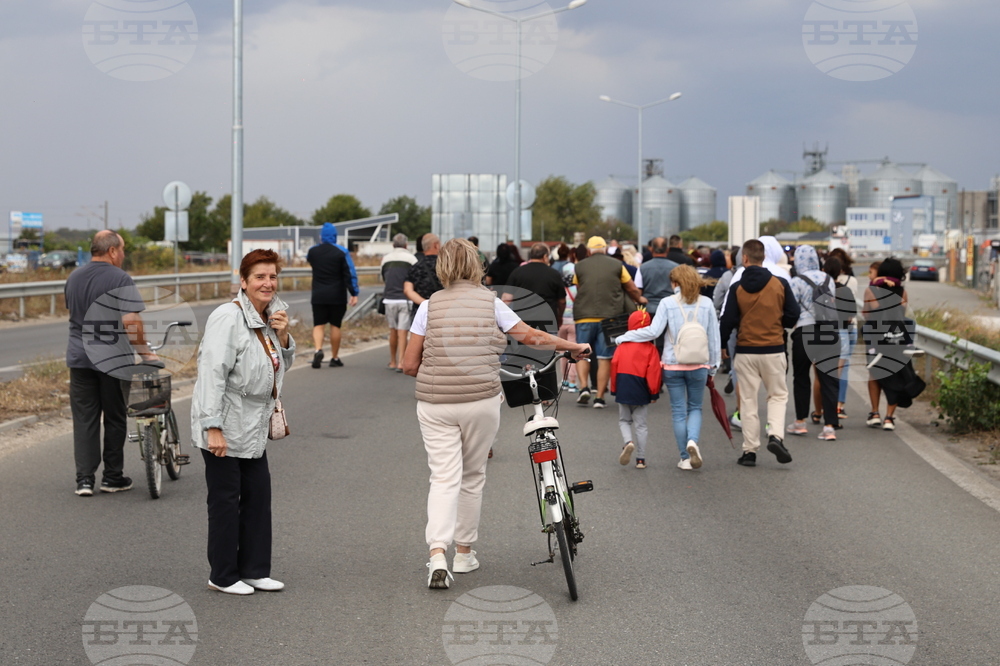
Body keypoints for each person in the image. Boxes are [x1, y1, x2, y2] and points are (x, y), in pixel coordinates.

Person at [401, 239, 590, 589]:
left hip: (434, 403)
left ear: (442, 267)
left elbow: (409, 364)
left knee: (443, 478)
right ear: (476, 266)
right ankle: (464, 553)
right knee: (472, 476)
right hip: (480, 401)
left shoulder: (428, 306)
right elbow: (531, 338)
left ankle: (437, 555)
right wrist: (573, 346)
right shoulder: (491, 303)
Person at [191, 249, 296, 595]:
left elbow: (275, 370)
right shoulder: (228, 317)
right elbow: (211, 373)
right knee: (225, 500)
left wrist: (283, 339)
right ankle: (222, 575)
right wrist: (213, 427)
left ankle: (254, 569)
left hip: (252, 424)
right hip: (225, 421)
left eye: (272, 276)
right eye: (260, 277)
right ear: (244, 281)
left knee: (257, 497)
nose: (268, 283)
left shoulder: (271, 317)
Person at [65, 230, 160, 496]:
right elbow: (131, 322)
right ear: (112, 251)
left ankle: (84, 480)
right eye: (123, 249)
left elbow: (74, 315)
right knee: (115, 417)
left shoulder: (73, 278)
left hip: (79, 358)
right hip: (113, 360)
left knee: (85, 419)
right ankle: (112, 477)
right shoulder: (120, 278)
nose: (124, 254)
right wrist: (146, 354)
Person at [617, 265, 721, 470]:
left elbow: (653, 332)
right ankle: (693, 441)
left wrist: (625, 337)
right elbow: (713, 339)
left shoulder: (667, 303)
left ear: (675, 283)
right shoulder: (706, 303)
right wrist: (713, 367)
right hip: (699, 364)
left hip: (673, 364)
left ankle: (684, 457)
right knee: (695, 408)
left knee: (679, 411)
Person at [719, 239, 800, 467]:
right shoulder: (780, 284)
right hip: (773, 348)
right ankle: (775, 435)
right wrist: (778, 322)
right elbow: (794, 314)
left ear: (744, 258)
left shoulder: (737, 287)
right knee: (777, 395)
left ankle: (749, 452)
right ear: (763, 257)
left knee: (748, 400)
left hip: (746, 350)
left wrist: (723, 344)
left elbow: (728, 320)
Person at [573, 236, 647, 408]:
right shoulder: (617, 265)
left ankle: (584, 387)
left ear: (590, 250)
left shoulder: (580, 266)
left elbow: (579, 287)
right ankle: (599, 397)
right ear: (605, 249)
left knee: (582, 353)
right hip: (610, 318)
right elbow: (632, 288)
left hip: (584, 315)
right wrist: (640, 298)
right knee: (604, 357)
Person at [786, 245, 841, 441]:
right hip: (828, 332)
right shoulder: (829, 279)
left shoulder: (796, 281)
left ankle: (800, 422)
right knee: (829, 379)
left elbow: (791, 309)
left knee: (801, 377)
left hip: (805, 332)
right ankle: (829, 427)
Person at [862, 258, 911, 431]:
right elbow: (902, 315)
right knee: (895, 374)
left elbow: (866, 315)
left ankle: (875, 413)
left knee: (874, 373)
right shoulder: (902, 292)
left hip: (875, 338)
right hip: (895, 338)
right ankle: (889, 418)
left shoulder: (871, 290)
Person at [609, 310, 662, 470]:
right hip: (641, 387)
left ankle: (628, 442)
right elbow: (654, 372)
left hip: (624, 384)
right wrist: (653, 393)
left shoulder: (622, 345)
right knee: (641, 425)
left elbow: (614, 365)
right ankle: (641, 459)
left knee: (624, 420)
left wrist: (614, 389)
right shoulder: (651, 348)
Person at [307, 223, 358, 368]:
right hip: (337, 294)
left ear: (321, 236)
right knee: (335, 325)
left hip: (318, 294)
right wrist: (354, 292)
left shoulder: (313, 252)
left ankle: (318, 350)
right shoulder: (342, 252)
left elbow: (310, 260)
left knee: (318, 324)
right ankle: (334, 358)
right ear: (335, 236)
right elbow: (350, 273)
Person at [380, 233, 418, 371]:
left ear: (393, 245)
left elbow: (383, 277)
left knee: (393, 330)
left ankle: (392, 361)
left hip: (389, 298)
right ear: (406, 245)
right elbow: (415, 278)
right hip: (405, 299)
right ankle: (402, 362)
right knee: (403, 332)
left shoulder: (385, 259)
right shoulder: (411, 259)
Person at [506, 242, 566, 322]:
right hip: (547, 320)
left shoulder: (517, 272)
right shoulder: (554, 274)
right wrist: (560, 316)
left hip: (523, 322)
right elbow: (562, 301)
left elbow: (506, 299)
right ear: (545, 257)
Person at [404, 233, 444, 306]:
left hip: (420, 311)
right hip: (442, 309)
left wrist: (425, 303)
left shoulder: (415, 267)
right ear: (436, 245)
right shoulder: (446, 266)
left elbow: (407, 290)